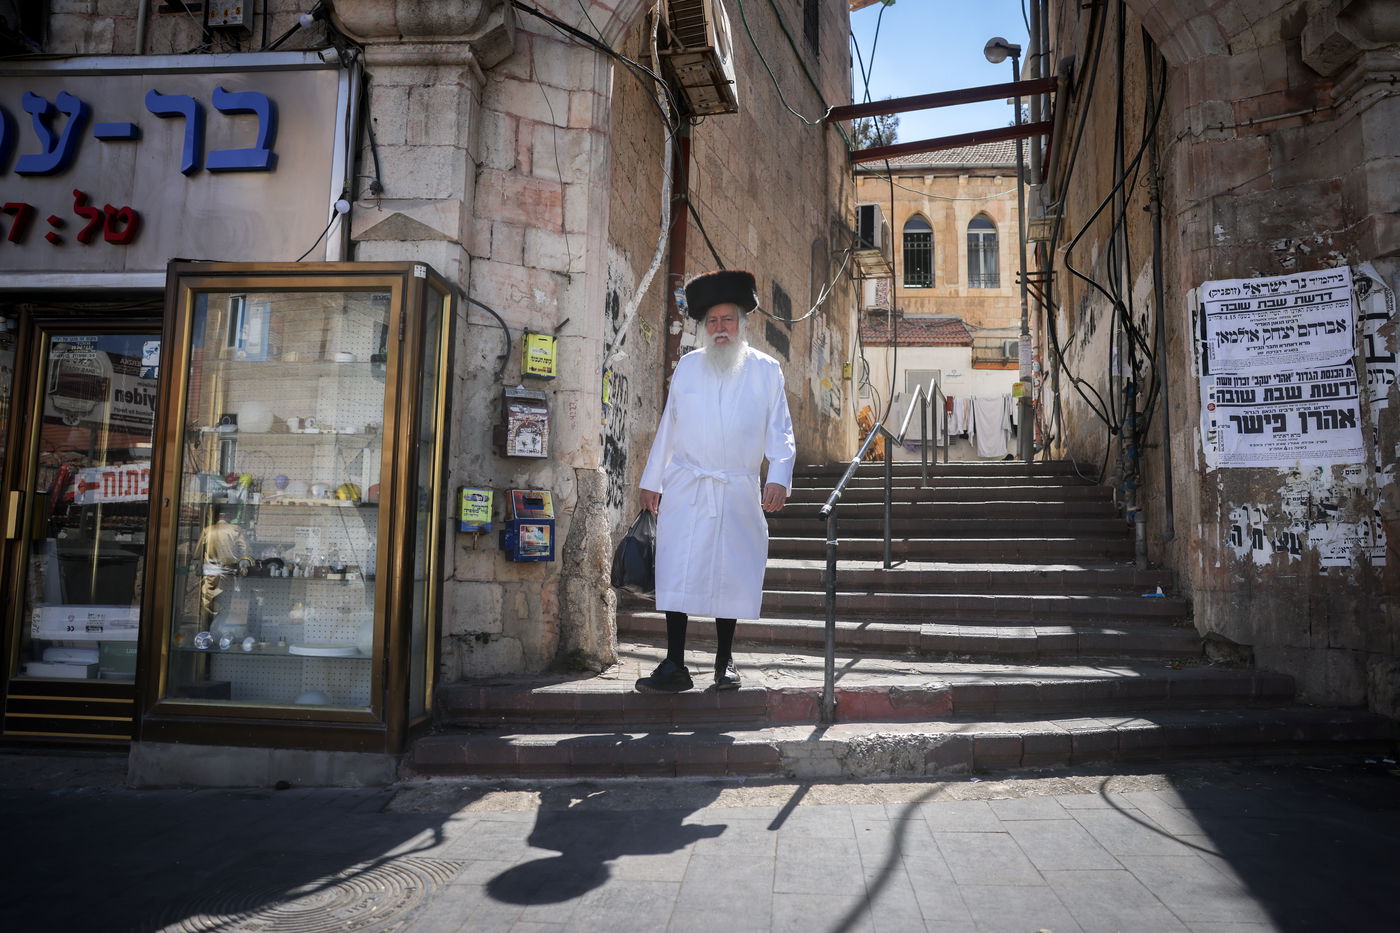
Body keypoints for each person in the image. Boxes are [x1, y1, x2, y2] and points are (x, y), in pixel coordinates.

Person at [634, 269, 796, 693]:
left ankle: (725, 662)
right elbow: (670, 425)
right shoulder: (688, 367)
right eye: (711, 322)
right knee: (677, 570)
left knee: (733, 573)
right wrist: (653, 479)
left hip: (738, 487)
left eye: (727, 320)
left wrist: (778, 475)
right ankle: (674, 664)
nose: (719, 329)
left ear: (743, 323)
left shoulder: (766, 370)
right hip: (687, 485)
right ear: (704, 328)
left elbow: (780, 430)